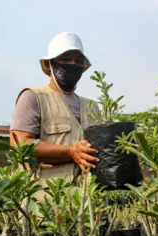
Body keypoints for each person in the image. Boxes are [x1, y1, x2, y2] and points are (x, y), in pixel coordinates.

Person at [10, 32, 100, 190]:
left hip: (88, 203)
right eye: (65, 59)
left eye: (78, 61)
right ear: (48, 65)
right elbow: (21, 144)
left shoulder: (92, 106)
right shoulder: (33, 97)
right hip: (45, 201)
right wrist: (71, 152)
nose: (72, 64)